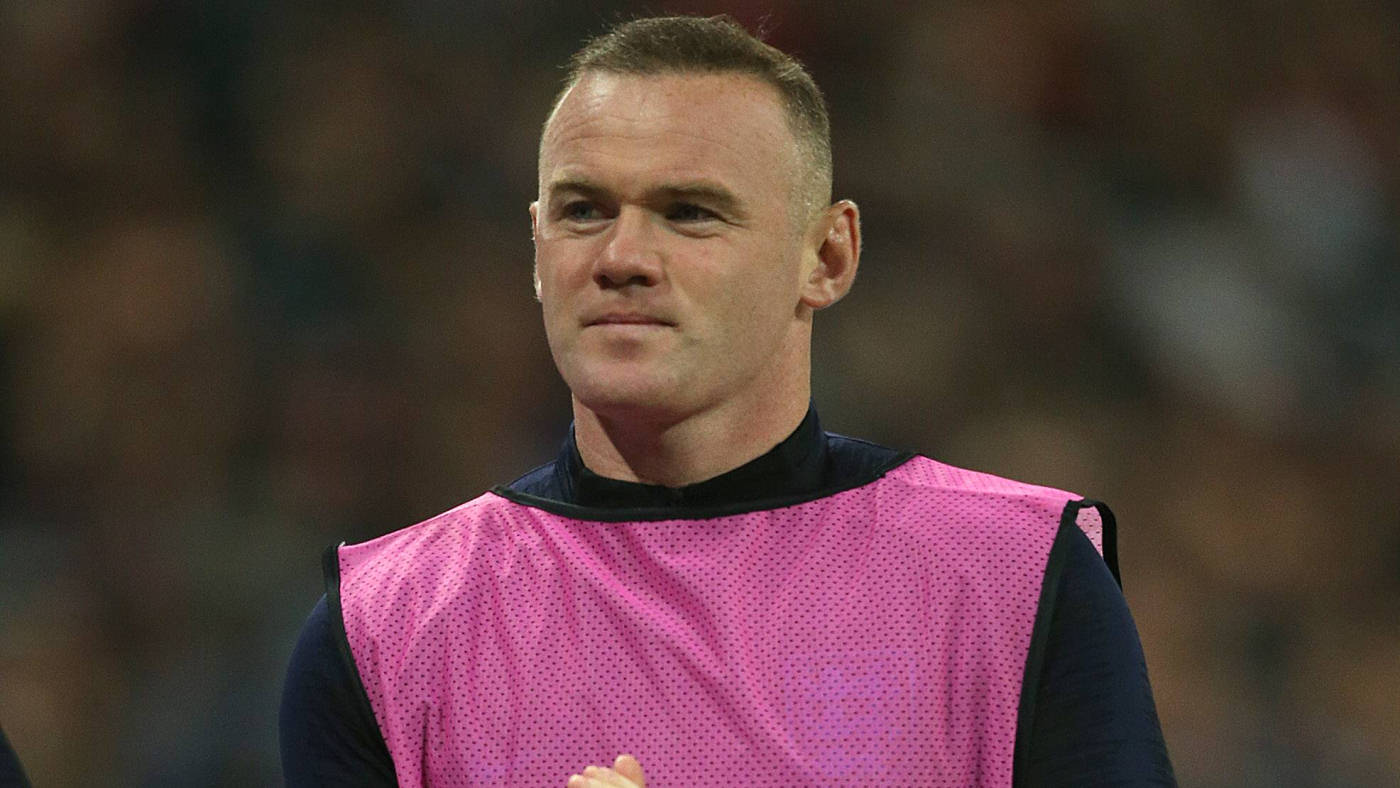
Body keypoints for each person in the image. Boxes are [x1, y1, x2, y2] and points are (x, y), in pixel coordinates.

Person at [280, 14, 1176, 787]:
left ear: (827, 257)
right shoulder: (385, 630)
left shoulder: (1017, 580)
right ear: (537, 247)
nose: (621, 257)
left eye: (690, 212)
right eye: (583, 209)